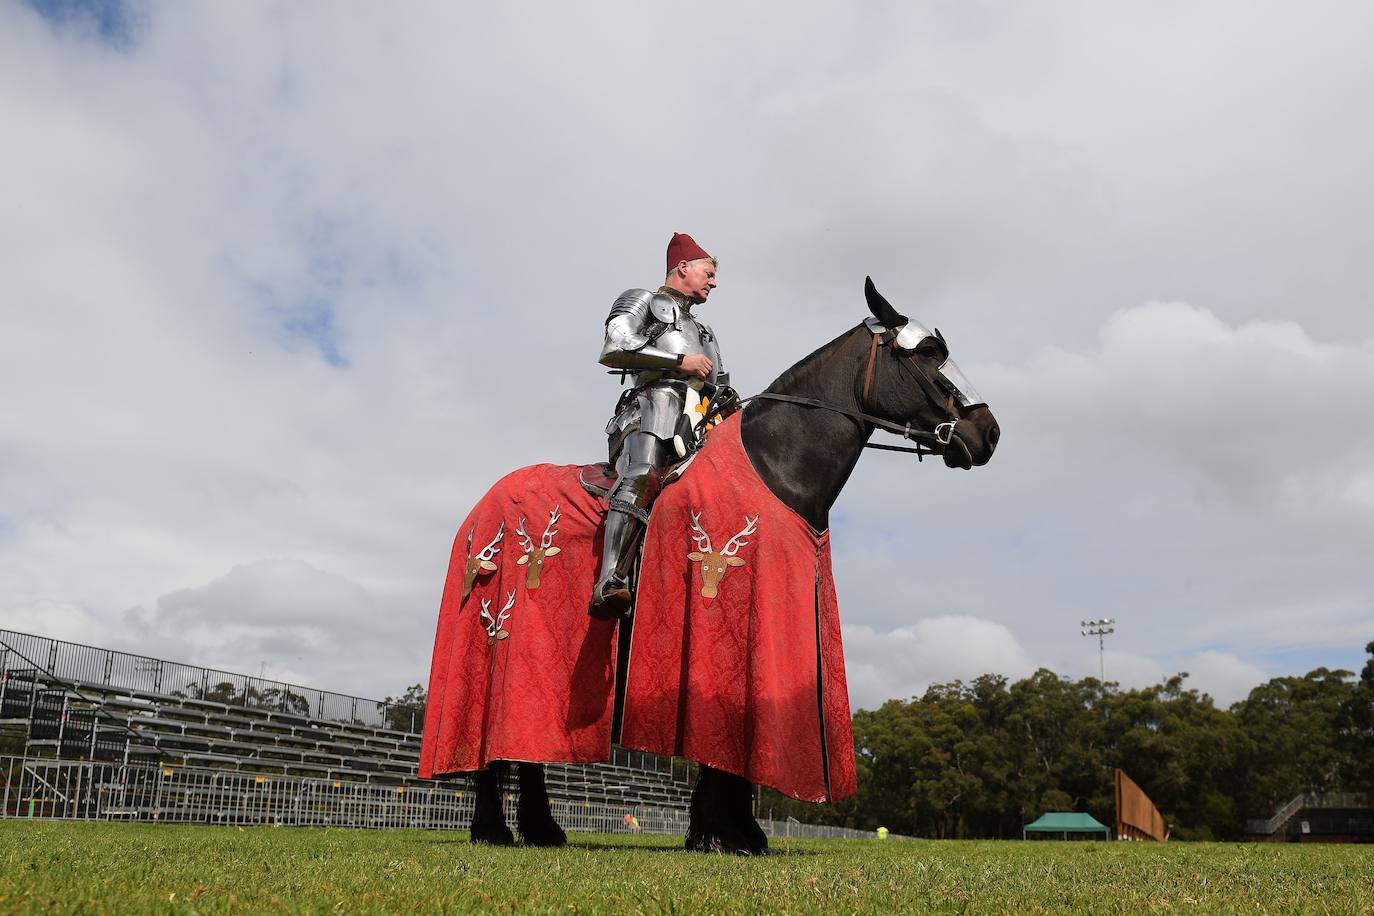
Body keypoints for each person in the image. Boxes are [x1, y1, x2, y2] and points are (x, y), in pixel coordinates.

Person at [589, 232, 731, 619]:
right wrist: (678, 363)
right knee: (645, 472)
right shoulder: (642, 300)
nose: (714, 282)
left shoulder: (705, 332)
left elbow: (723, 385)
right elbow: (612, 348)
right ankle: (610, 580)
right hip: (651, 407)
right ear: (683, 268)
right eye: (709, 273)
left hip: (701, 421)